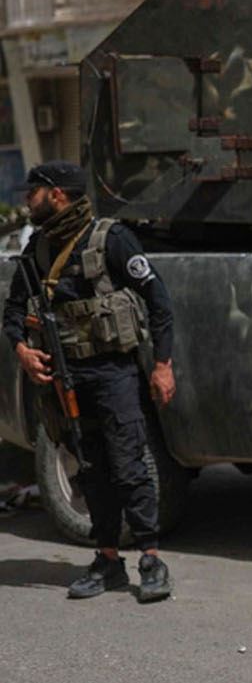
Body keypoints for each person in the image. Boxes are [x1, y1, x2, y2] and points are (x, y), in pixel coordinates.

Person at [3, 161, 176, 603]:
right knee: (90, 467)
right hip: (67, 377)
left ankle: (151, 559)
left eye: (34, 192)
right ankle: (108, 560)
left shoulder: (110, 239)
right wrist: (22, 350)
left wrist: (162, 364)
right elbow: (14, 310)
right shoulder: (38, 248)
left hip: (113, 373)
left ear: (57, 194)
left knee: (129, 465)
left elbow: (158, 300)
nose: (28, 200)